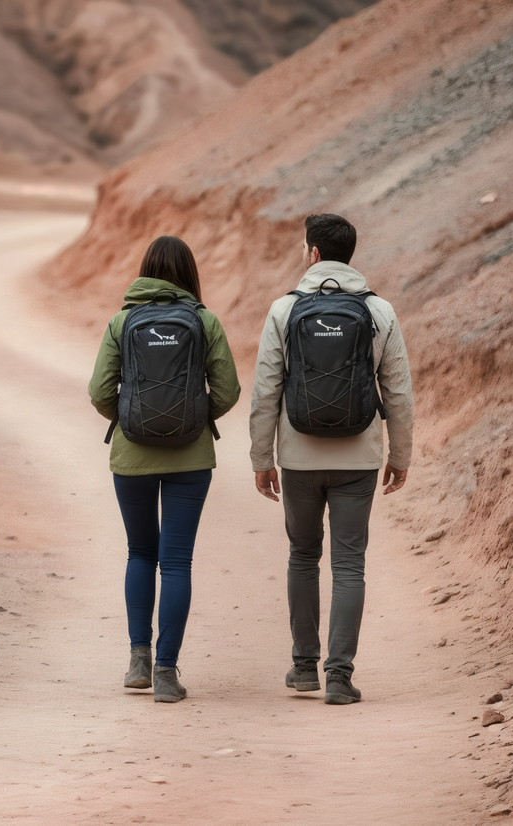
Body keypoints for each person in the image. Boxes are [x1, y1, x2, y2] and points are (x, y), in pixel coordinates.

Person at [249, 213, 414, 705]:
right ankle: (339, 676)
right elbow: (399, 393)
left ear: (314, 254)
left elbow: (265, 392)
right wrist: (399, 455)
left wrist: (262, 458)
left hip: (297, 458)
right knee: (349, 566)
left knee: (302, 556)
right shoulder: (380, 311)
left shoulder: (283, 310)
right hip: (359, 457)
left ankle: (303, 668)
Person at [88, 236, 240, 703]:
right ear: (189, 273)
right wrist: (194, 418)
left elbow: (98, 392)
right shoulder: (205, 321)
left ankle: (138, 658)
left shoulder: (122, 321)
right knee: (176, 562)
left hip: (131, 457)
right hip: (191, 458)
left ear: (146, 271)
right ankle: (167, 673)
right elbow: (229, 391)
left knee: (140, 553)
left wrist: (132, 416)